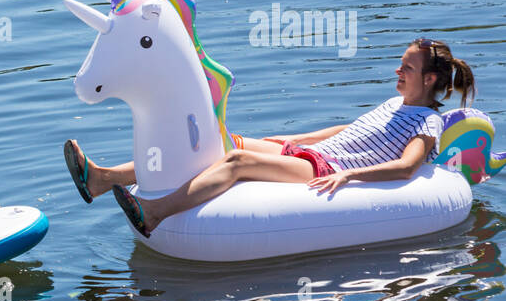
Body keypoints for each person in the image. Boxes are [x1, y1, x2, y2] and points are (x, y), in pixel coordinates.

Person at [65, 39, 477, 237]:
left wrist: (348, 178)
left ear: (429, 79)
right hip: (312, 153)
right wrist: (290, 139)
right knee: (221, 141)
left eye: (406, 68)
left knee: (237, 163)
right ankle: (103, 179)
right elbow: (346, 130)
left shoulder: (428, 121)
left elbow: (407, 165)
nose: (396, 72)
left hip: (327, 169)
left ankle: (155, 212)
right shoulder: (395, 103)